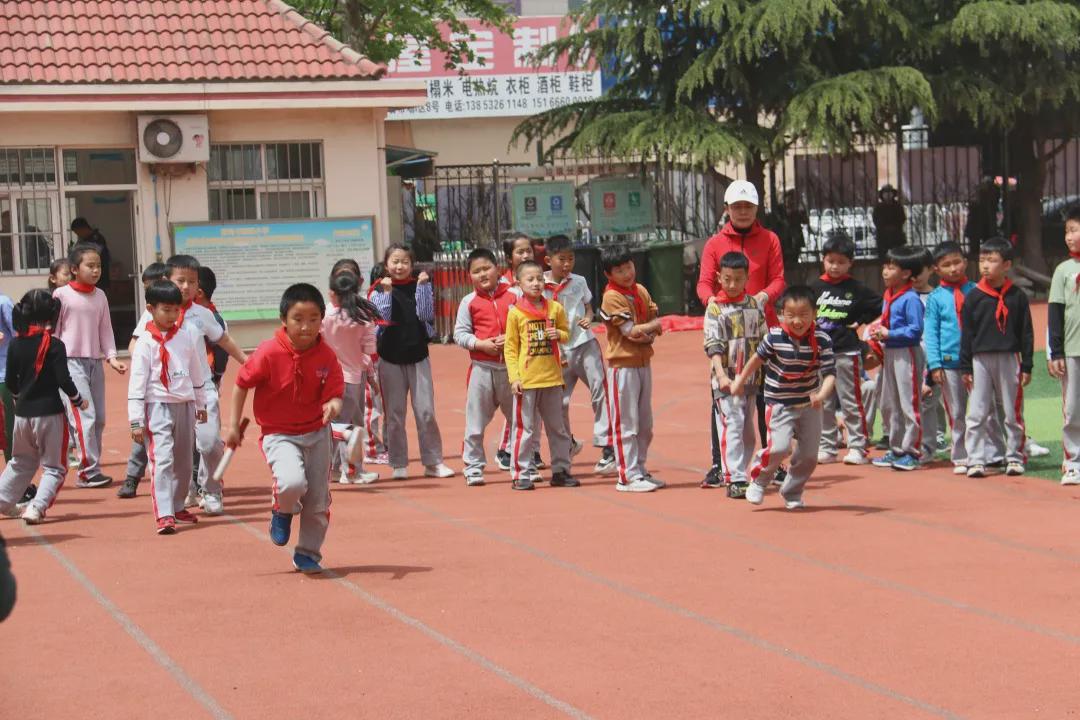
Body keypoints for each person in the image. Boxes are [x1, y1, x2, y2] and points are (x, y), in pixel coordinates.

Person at [225, 283, 344, 574]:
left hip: (317, 433)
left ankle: (307, 553)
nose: (306, 327)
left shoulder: (326, 356)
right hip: (279, 434)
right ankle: (282, 508)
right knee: (291, 483)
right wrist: (232, 425)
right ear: (284, 319)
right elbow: (241, 385)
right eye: (298, 319)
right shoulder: (268, 352)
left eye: (314, 319)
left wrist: (333, 406)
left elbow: (336, 394)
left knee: (317, 500)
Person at [130, 256, 247, 514]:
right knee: (172, 449)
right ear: (167, 280)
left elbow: (224, 340)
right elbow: (136, 343)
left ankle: (212, 489)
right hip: (167, 394)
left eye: (192, 282)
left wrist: (246, 361)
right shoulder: (153, 312)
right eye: (180, 280)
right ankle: (184, 492)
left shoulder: (202, 314)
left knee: (208, 443)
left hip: (201, 389)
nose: (186, 287)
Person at [696, 180, 786, 486]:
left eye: (748, 206)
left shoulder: (770, 239)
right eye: (737, 207)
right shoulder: (714, 244)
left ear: (757, 209)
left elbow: (778, 278)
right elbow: (704, 282)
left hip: (761, 326)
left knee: (766, 397)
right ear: (727, 209)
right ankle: (719, 464)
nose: (743, 212)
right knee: (724, 400)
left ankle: (770, 461)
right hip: (727, 328)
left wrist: (762, 298)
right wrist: (712, 303)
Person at [731, 286, 836, 509]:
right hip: (779, 403)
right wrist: (740, 381)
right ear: (782, 315)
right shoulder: (774, 337)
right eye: (791, 315)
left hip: (809, 405)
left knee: (809, 455)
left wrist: (821, 395)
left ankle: (792, 491)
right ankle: (759, 480)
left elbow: (829, 376)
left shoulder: (822, 340)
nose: (797, 321)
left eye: (804, 315)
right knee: (779, 448)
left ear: (814, 314)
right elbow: (756, 361)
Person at [128, 281, 209, 534]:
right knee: (162, 459)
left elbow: (196, 372)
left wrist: (201, 403)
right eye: (166, 310)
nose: (172, 315)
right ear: (151, 309)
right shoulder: (145, 343)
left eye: (176, 310)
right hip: (157, 407)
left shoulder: (185, 337)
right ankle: (164, 513)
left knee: (184, 461)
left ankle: (177, 504)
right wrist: (136, 420)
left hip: (184, 405)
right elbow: (137, 383)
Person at [0, 290, 86, 524]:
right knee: (55, 467)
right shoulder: (55, 345)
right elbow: (63, 380)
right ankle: (36, 507)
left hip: (22, 414)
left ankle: (2, 500)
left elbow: (11, 383)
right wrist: (78, 399)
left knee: (20, 462)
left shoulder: (16, 344)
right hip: (49, 413)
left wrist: (19, 396)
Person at [371, 244, 454, 480]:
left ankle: (433, 462)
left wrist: (422, 288)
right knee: (395, 415)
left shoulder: (422, 285)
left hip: (418, 356)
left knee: (426, 412)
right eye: (394, 261)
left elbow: (426, 315)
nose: (399, 266)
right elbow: (381, 321)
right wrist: (386, 294)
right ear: (386, 264)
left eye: (404, 261)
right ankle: (398, 463)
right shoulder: (378, 290)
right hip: (390, 359)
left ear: (412, 263)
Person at [53, 242, 127, 488]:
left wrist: (112, 357)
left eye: (99, 266)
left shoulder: (100, 296)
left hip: (94, 363)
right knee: (85, 415)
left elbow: (105, 329)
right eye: (90, 266)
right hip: (70, 363)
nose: (96, 270)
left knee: (100, 418)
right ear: (75, 269)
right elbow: (54, 332)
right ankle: (87, 471)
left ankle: (88, 465)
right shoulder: (61, 295)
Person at [961, 237, 1034, 478]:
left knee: (1012, 411)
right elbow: (967, 333)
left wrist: (1027, 364)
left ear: (1006, 265)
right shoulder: (974, 296)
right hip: (980, 359)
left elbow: (1026, 332)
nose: (985, 266)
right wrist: (966, 367)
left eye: (992, 261)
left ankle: (1014, 457)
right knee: (977, 411)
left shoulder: (1017, 296)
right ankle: (976, 459)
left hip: (1009, 357)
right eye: (982, 260)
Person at [543, 234, 615, 474]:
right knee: (559, 403)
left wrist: (588, 317)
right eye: (561, 259)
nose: (567, 264)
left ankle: (608, 446)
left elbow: (588, 306)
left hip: (584, 344)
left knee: (600, 390)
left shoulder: (579, 281)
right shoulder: (539, 285)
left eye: (571, 259)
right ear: (548, 260)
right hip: (558, 352)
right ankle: (567, 444)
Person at [503, 260, 577, 490]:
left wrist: (560, 335)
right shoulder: (515, 313)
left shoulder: (555, 308)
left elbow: (567, 333)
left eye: (539, 279)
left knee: (558, 428)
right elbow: (511, 348)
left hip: (552, 378)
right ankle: (521, 473)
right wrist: (514, 378)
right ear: (519, 283)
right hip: (527, 381)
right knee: (525, 429)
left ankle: (561, 470)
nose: (536, 283)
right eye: (530, 279)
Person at [810, 234, 882, 466]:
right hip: (821, 354)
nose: (835, 266)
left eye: (841, 262)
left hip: (847, 352)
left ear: (850, 263)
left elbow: (879, 305)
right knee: (824, 401)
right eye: (831, 261)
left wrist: (860, 321)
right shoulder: (815, 288)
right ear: (823, 260)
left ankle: (858, 446)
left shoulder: (857, 288)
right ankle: (827, 447)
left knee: (851, 400)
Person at [600, 245, 664, 492]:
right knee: (626, 422)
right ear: (609, 274)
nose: (627, 273)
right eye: (619, 270)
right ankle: (626, 476)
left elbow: (649, 325)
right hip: (622, 366)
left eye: (628, 266)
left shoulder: (640, 291)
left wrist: (649, 330)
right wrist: (651, 328)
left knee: (645, 424)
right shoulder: (612, 296)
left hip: (643, 362)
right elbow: (629, 332)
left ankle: (640, 468)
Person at [702, 251, 765, 495]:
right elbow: (712, 344)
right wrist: (720, 375)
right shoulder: (715, 309)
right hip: (726, 381)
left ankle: (742, 471)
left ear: (747, 278)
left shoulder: (754, 306)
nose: (732, 284)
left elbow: (764, 340)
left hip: (751, 380)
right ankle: (734, 477)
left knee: (748, 431)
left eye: (738, 279)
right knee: (732, 425)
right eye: (727, 279)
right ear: (719, 277)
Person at [453, 248, 516, 487]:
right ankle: (473, 466)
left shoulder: (515, 295)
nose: (482, 274)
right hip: (482, 369)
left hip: (512, 370)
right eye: (476, 271)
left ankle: (522, 464)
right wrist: (481, 344)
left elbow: (528, 323)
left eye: (486, 268)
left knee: (521, 419)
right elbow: (459, 334)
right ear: (469, 275)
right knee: (475, 421)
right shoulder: (468, 302)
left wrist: (510, 340)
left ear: (497, 268)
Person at [869, 246, 926, 471]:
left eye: (891, 267)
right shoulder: (889, 294)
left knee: (909, 402)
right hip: (891, 351)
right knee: (892, 402)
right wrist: (880, 331)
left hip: (906, 352)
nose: (885, 271)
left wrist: (889, 333)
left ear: (905, 274)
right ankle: (897, 448)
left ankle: (913, 450)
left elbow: (916, 329)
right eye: (885, 266)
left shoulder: (911, 298)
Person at [321, 269, 380, 485]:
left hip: (328, 378)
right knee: (351, 427)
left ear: (333, 293)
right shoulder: (364, 319)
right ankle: (352, 470)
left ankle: (336, 469)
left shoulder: (325, 317)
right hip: (353, 378)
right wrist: (372, 376)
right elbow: (369, 352)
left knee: (336, 424)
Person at [925, 241, 978, 475]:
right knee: (956, 412)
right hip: (949, 362)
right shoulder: (936, 298)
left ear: (965, 263)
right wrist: (935, 364)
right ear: (937, 270)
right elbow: (931, 333)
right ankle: (960, 454)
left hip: (977, 361)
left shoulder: (976, 290)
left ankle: (982, 451)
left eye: (957, 262)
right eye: (947, 265)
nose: (953, 268)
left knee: (979, 408)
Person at [117, 262, 169, 499]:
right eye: (146, 288)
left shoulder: (182, 313)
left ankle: (195, 482)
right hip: (155, 389)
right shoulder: (150, 313)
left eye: (153, 286)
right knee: (144, 435)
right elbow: (133, 343)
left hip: (178, 390)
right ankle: (132, 477)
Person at [1048, 207, 1080, 485]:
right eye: (1067, 231)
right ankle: (1073, 461)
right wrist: (1055, 351)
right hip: (1073, 349)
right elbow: (1055, 314)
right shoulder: (1063, 271)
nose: (1069, 236)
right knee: (1073, 407)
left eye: (1074, 230)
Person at [912, 247, 947, 461]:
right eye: (909, 271)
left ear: (931, 270)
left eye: (919, 270)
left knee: (929, 402)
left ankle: (929, 445)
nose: (914, 276)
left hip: (932, 358)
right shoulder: (902, 297)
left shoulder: (936, 297)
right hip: (909, 359)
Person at [363, 262, 388, 465]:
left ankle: (384, 444)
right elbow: (377, 329)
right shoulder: (374, 298)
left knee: (384, 404)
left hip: (382, 358)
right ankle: (372, 448)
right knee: (372, 405)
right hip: (370, 360)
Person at [69, 217, 111, 290]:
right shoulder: (84, 239)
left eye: (77, 232)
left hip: (100, 278)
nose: (78, 234)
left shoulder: (96, 239)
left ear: (83, 228)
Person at [872, 185, 906, 259]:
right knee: (883, 259)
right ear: (882, 195)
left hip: (896, 237)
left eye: (890, 192)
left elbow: (902, 218)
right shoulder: (878, 207)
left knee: (898, 258)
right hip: (883, 238)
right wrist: (884, 228)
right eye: (885, 192)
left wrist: (894, 227)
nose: (888, 194)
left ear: (893, 194)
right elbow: (876, 220)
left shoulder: (898, 206)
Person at [0, 292, 13, 462]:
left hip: (4, 375)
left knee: (8, 427)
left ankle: (15, 477)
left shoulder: (4, 302)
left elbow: (19, 334)